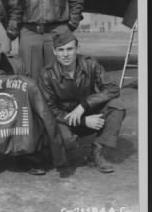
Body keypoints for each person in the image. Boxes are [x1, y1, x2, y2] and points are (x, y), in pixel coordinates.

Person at [0, 28, 70, 182]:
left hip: (18, 122)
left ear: (0, 48)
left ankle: (29, 155)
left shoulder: (16, 65)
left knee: (65, 137)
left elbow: (33, 99)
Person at [38, 30, 126, 173]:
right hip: (64, 121)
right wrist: (83, 121)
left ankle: (96, 154)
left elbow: (113, 88)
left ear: (77, 49)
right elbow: (50, 110)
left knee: (117, 106)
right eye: (61, 50)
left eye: (70, 49)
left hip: (89, 113)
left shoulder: (90, 64)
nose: (65, 54)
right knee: (65, 143)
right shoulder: (46, 74)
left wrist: (84, 105)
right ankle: (54, 153)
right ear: (54, 51)